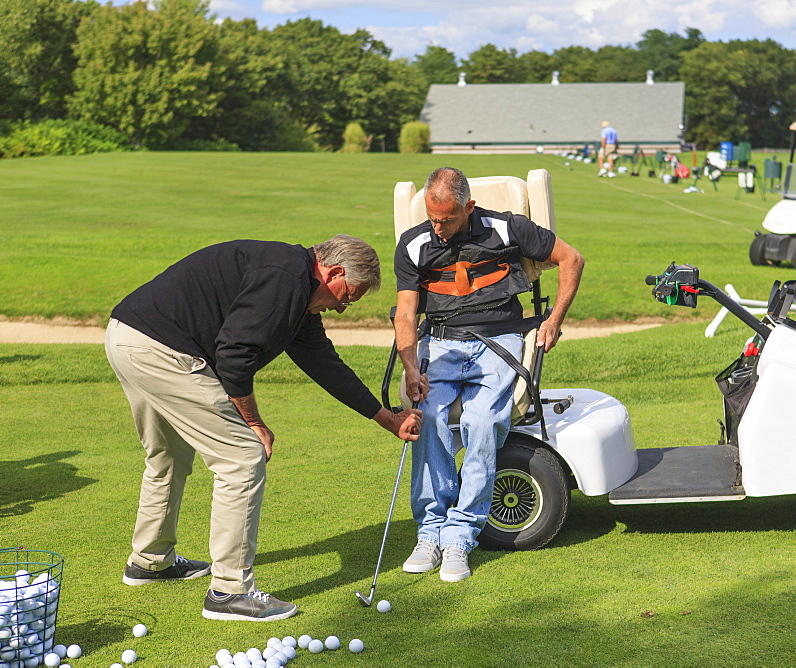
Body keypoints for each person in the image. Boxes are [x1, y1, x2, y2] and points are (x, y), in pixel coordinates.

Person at [105, 235, 421, 621]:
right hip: (161, 349)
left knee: (168, 454)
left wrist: (384, 417)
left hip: (128, 337)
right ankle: (230, 592)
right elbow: (235, 355)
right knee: (242, 457)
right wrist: (253, 422)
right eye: (347, 296)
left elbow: (323, 363)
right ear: (333, 271)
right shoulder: (284, 280)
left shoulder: (296, 287)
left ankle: (149, 561)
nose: (341, 308)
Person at [393, 167, 584, 582]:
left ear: (469, 207)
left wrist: (553, 319)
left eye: (447, 219)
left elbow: (571, 258)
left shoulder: (505, 227)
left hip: (499, 341)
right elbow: (407, 312)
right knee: (431, 422)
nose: (438, 227)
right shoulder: (414, 243)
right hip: (439, 343)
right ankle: (431, 532)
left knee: (483, 423)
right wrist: (411, 367)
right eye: (432, 218)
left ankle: (461, 536)